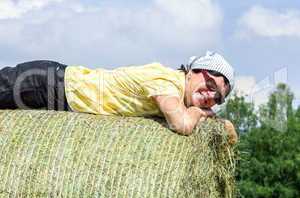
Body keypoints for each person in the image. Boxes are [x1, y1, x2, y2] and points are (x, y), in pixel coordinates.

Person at [0, 51, 237, 143]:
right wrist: (198, 112)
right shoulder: (166, 82)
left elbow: (228, 133)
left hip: (58, 94)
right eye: (210, 83)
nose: (210, 95)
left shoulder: (176, 92)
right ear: (194, 71)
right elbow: (182, 124)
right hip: (47, 84)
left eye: (218, 98)